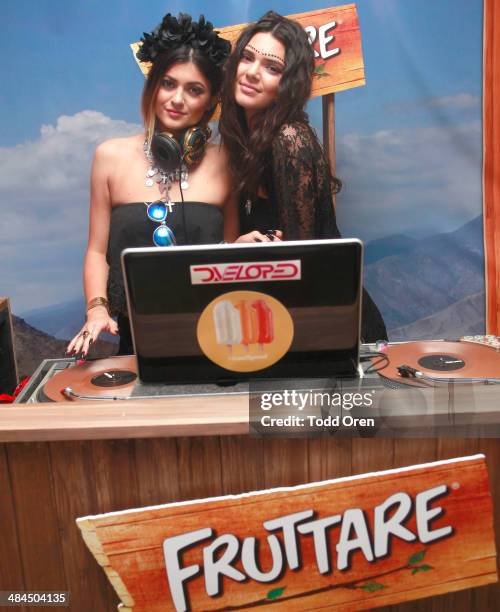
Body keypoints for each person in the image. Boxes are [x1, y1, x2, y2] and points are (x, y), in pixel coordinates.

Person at [68, 13, 236, 357]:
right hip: (139, 345)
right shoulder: (109, 156)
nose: (177, 99)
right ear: (153, 86)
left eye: (194, 90)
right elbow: (97, 251)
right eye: (169, 84)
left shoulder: (226, 162)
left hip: (218, 340)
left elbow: (231, 254)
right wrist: (96, 308)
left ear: (210, 102)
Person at [219, 11, 387, 342]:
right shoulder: (247, 141)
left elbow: (302, 261)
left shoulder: (289, 138)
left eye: (272, 68)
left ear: (287, 84)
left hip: (330, 319)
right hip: (290, 314)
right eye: (248, 58)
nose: (253, 73)